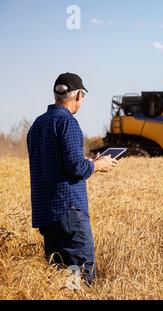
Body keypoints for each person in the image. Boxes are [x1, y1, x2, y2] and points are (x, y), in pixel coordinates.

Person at [27, 72, 118, 284]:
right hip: (68, 211)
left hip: (46, 212)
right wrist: (97, 165)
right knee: (81, 278)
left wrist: (86, 160)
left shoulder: (38, 124)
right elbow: (76, 169)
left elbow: (55, 162)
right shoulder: (68, 123)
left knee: (58, 279)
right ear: (78, 96)